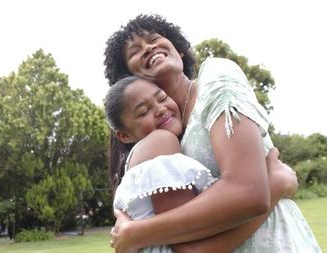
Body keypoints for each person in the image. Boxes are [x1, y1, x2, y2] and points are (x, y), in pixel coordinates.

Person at [103, 14, 322, 253]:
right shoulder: (163, 139)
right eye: (135, 51)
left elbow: (247, 190)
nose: (148, 47)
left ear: (179, 49)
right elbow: (249, 195)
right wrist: (276, 184)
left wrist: (134, 234)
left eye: (154, 38)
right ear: (129, 79)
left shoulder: (215, 76)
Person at [105, 75, 299, 252]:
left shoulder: (145, 155)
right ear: (124, 135)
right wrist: (275, 186)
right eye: (143, 111)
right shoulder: (160, 141)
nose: (160, 109)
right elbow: (194, 251)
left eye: (162, 98)